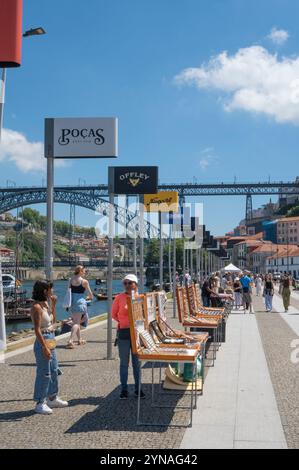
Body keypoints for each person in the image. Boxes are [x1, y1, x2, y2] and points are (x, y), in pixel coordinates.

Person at [31, 280, 68, 415]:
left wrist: (53, 305)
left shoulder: (45, 305)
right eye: (51, 289)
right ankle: (40, 402)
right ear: (45, 291)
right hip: (43, 340)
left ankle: (52, 397)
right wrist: (44, 347)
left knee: (54, 370)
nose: (53, 291)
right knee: (44, 373)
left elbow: (52, 321)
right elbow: (37, 329)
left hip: (51, 337)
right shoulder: (36, 307)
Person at [112, 274, 144, 400]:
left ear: (135, 284)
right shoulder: (119, 298)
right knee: (124, 363)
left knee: (137, 363)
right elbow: (114, 314)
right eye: (125, 283)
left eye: (130, 283)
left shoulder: (140, 298)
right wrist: (123, 321)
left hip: (136, 333)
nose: (127, 285)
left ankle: (138, 389)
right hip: (124, 332)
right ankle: (124, 389)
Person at [66, 265, 93, 349]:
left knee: (76, 320)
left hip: (72, 303)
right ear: (81, 271)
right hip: (80, 303)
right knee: (77, 323)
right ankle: (70, 340)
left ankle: (79, 339)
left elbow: (68, 291)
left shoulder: (71, 280)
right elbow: (90, 295)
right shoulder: (84, 281)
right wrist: (88, 297)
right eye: (84, 271)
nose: (85, 272)